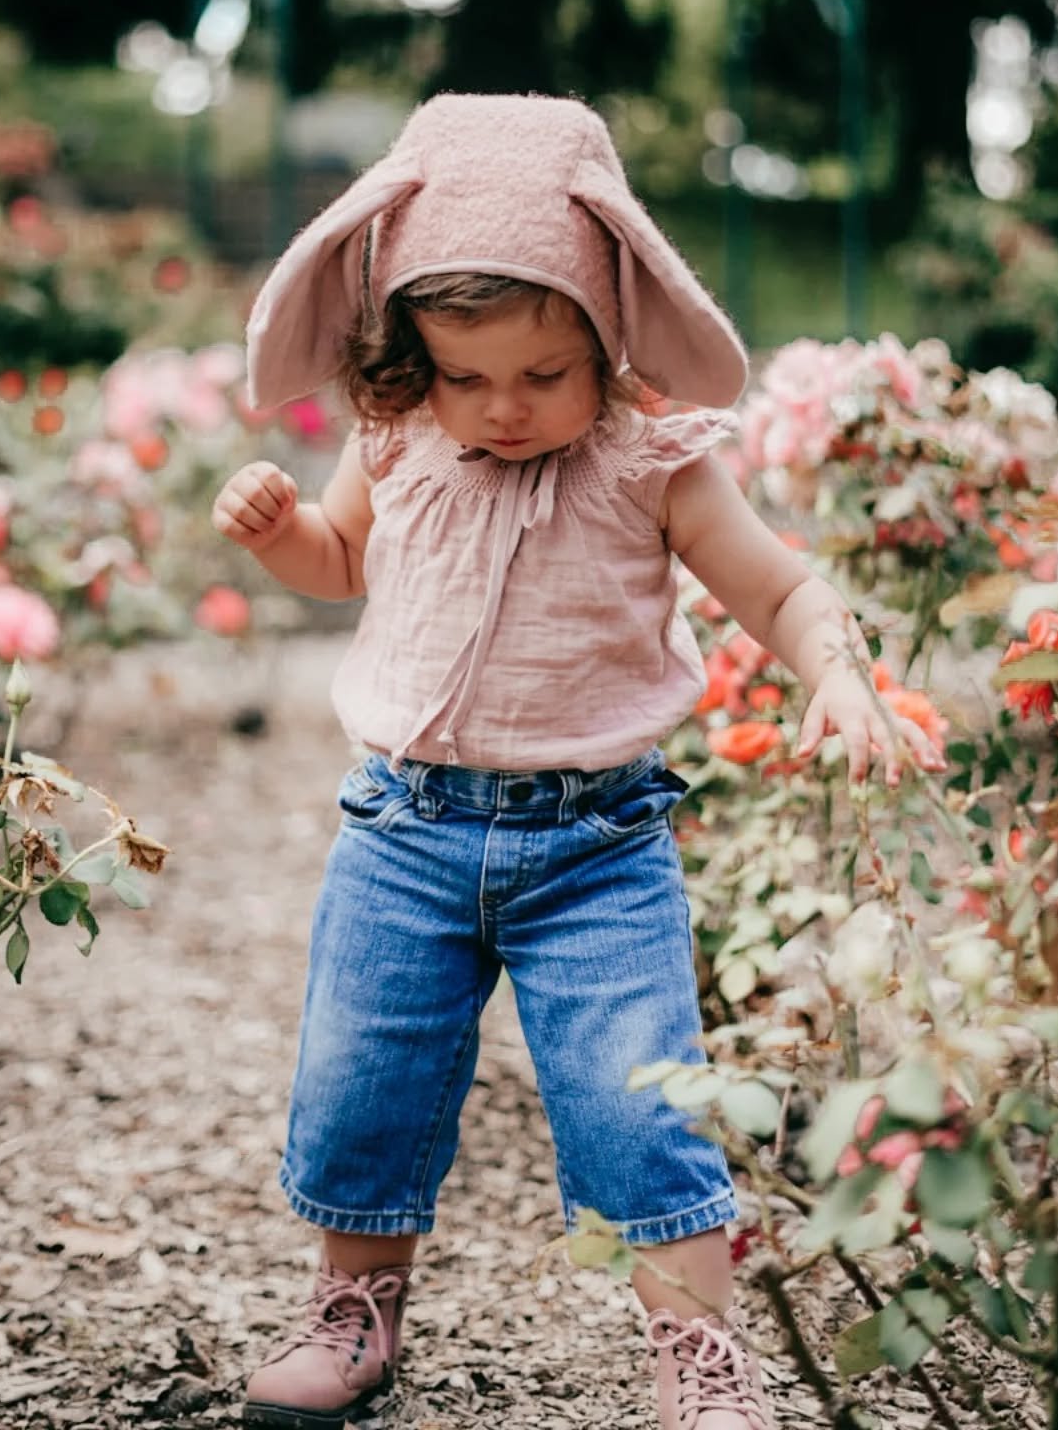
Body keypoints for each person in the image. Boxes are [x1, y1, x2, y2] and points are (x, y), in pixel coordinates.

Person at [212, 94, 943, 1430]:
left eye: (542, 376)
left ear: (607, 332)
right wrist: (276, 539)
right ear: (409, 353)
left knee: (636, 1101)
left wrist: (837, 671)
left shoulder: (653, 463)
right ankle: (354, 1306)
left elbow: (780, 595)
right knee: (360, 1079)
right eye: (465, 374)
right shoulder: (397, 440)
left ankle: (701, 1354)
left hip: (595, 846)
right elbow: (338, 559)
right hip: (403, 830)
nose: (501, 408)